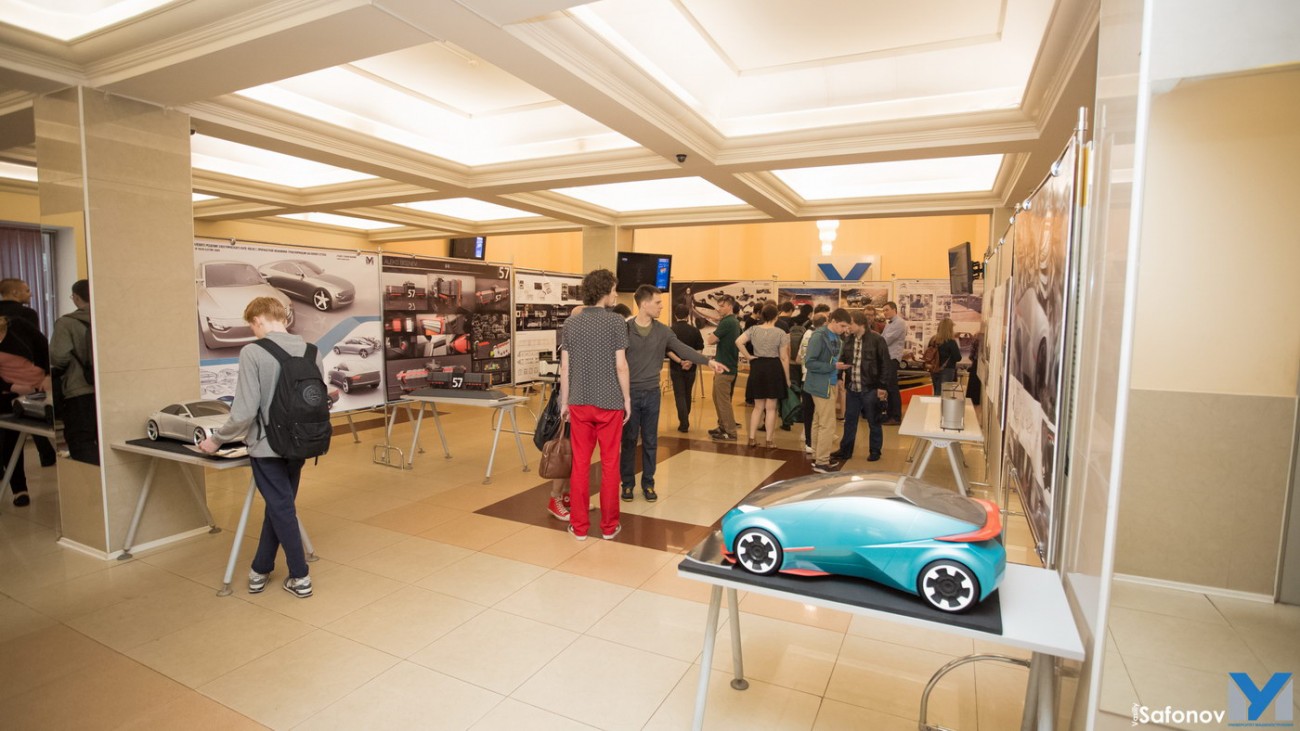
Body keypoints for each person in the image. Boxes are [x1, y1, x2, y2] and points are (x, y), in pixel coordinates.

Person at [199, 296, 322, 598]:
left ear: (258, 320)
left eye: (251, 326)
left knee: (281, 507)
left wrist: (216, 440)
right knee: (280, 506)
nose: (253, 331)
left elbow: (243, 412)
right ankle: (260, 569)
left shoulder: (253, 352)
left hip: (267, 447)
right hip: (301, 443)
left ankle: (300, 576)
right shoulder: (312, 351)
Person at [621, 286, 723, 502]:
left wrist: (708, 362)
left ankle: (648, 483)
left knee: (650, 440)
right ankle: (627, 483)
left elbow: (682, 349)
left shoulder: (663, 331)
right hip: (629, 394)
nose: (661, 306)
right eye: (657, 302)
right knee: (629, 440)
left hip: (652, 393)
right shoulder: (625, 329)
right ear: (644, 304)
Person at [560, 269, 631, 541]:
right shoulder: (616, 322)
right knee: (610, 463)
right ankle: (609, 527)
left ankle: (579, 527)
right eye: (614, 290)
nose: (616, 294)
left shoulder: (571, 323)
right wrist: (627, 399)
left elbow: (565, 367)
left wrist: (565, 402)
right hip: (610, 402)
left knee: (580, 463)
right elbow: (621, 366)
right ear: (604, 292)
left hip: (579, 402)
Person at [0, 279, 56, 467]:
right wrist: (45, 374)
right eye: (27, 290)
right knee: (34, 417)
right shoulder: (26, 315)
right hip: (29, 377)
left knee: (10, 432)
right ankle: (46, 456)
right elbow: (38, 345)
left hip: (8, 383)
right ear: (15, 293)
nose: (30, 294)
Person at [0, 315, 51, 506]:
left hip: (42, 387)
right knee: (10, 441)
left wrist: (48, 375)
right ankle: (19, 489)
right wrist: (13, 387)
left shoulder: (19, 326)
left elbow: (44, 348)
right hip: (10, 393)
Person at [830, 311, 889, 463]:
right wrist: (839, 376)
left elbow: (885, 364)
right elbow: (842, 358)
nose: (848, 327)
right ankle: (845, 450)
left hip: (871, 388)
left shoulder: (877, 339)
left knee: (873, 421)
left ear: (861, 324)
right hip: (852, 388)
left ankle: (875, 451)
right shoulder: (848, 340)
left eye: (851, 324)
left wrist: (882, 387)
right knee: (850, 421)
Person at [50, 279, 98, 465]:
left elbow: (59, 357)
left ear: (77, 297)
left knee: (81, 440)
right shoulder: (108, 317)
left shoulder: (66, 323)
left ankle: (90, 479)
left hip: (79, 389)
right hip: (110, 390)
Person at [736, 303, 790, 448]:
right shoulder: (781, 333)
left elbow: (738, 341)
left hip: (758, 366)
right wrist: (787, 378)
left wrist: (748, 356)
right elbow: (784, 357)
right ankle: (769, 440)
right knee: (771, 407)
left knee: (758, 407)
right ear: (776, 316)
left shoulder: (753, 329)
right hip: (773, 368)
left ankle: (751, 438)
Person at [803, 308, 851, 473]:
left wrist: (837, 374)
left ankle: (818, 457)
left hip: (829, 383)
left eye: (846, 327)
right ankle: (822, 462)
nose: (845, 330)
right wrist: (833, 366)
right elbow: (809, 362)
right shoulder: (819, 336)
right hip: (820, 385)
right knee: (827, 424)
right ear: (833, 321)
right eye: (843, 326)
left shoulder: (836, 337)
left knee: (819, 421)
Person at [797, 305, 831, 453]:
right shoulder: (819, 337)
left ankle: (809, 440)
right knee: (817, 412)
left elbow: (799, 357)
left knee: (809, 411)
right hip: (815, 378)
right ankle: (813, 441)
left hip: (805, 377)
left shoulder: (806, 334)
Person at [706, 295, 740, 442]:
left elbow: (710, 340)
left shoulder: (727, 322)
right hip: (725, 366)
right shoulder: (734, 322)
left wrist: (715, 336)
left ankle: (730, 432)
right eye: (718, 306)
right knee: (717, 398)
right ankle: (722, 426)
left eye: (722, 306)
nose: (719, 309)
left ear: (730, 307)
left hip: (725, 368)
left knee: (723, 401)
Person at [667, 304, 704, 433]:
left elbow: (668, 351)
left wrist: (680, 361)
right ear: (688, 316)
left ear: (675, 315)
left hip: (676, 367)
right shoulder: (694, 331)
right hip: (691, 368)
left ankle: (684, 422)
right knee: (687, 393)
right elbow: (699, 349)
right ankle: (685, 418)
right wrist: (690, 361)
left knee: (679, 394)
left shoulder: (670, 330)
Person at [880, 301, 906, 425]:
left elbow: (885, 340)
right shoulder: (889, 323)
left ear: (894, 309)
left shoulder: (899, 323)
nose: (884, 312)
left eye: (887, 310)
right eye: (883, 310)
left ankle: (895, 417)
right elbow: (882, 337)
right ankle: (890, 415)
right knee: (889, 388)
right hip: (887, 358)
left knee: (892, 388)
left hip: (892, 358)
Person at [928, 317, 963, 395]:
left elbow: (929, 354)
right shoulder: (951, 342)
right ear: (949, 329)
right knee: (944, 393)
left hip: (934, 369)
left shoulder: (933, 340)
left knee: (937, 391)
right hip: (947, 370)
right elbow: (958, 358)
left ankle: (936, 402)